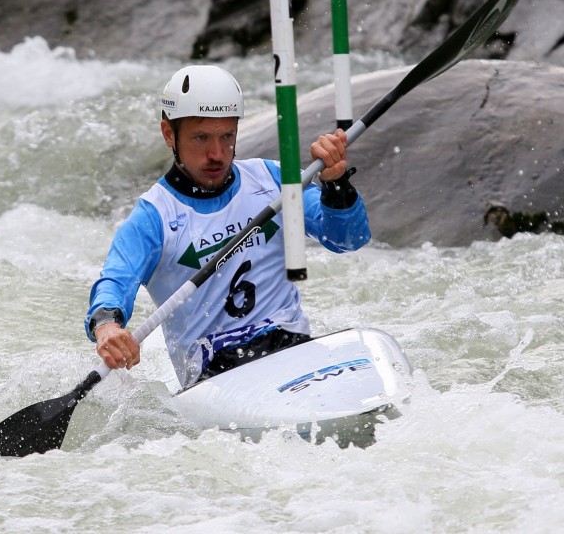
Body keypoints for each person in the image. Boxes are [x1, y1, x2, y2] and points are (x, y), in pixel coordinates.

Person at [85, 64, 371, 389]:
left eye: (227, 136)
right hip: (216, 375)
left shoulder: (272, 179)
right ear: (169, 134)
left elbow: (349, 240)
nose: (217, 154)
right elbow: (114, 283)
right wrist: (108, 328)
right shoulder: (154, 217)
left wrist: (336, 184)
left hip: (292, 348)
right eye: (201, 138)